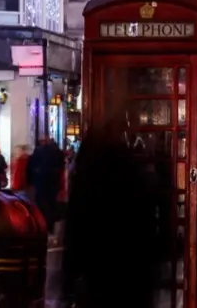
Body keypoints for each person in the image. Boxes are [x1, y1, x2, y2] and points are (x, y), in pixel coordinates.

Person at [63, 118, 165, 308]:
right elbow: (150, 229)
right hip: (132, 276)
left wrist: (68, 280)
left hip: (96, 274)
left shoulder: (86, 184)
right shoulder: (135, 177)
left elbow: (74, 234)